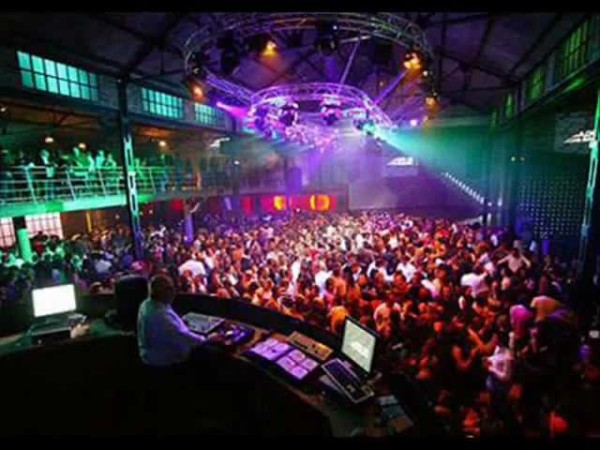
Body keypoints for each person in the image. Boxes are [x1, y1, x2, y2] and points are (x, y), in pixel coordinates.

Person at [137, 274, 208, 367]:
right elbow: (185, 338)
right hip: (162, 361)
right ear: (160, 292)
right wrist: (207, 339)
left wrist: (180, 323)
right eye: (169, 288)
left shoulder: (147, 304)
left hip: (151, 354)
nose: (173, 291)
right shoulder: (160, 315)